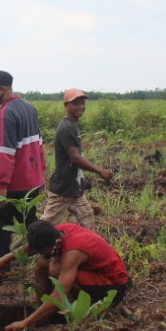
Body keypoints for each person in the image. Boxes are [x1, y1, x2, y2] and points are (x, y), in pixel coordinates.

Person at [0, 220, 130, 331]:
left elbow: (60, 292)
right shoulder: (57, 232)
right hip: (93, 274)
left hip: (112, 287)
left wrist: (26, 322)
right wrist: (6, 258)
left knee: (57, 270)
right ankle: (42, 314)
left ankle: (87, 312)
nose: (40, 253)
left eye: (43, 251)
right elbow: (31, 248)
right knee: (42, 264)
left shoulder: (73, 252)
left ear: (56, 243)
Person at [0, 71, 47, 268]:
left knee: (0, 231)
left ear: (2, 88)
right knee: (30, 226)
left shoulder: (5, 114)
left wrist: (1, 186)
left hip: (11, 186)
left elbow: (3, 154)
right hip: (31, 183)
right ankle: (50, 253)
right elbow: (39, 145)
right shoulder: (29, 108)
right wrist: (41, 178)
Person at [41, 88, 113, 227]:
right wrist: (99, 171)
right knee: (45, 227)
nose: (81, 106)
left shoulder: (72, 126)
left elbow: (74, 160)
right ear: (66, 105)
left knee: (87, 218)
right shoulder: (67, 128)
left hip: (73, 187)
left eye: (82, 103)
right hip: (63, 189)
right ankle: (21, 248)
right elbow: (75, 158)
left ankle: (84, 247)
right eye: (76, 103)